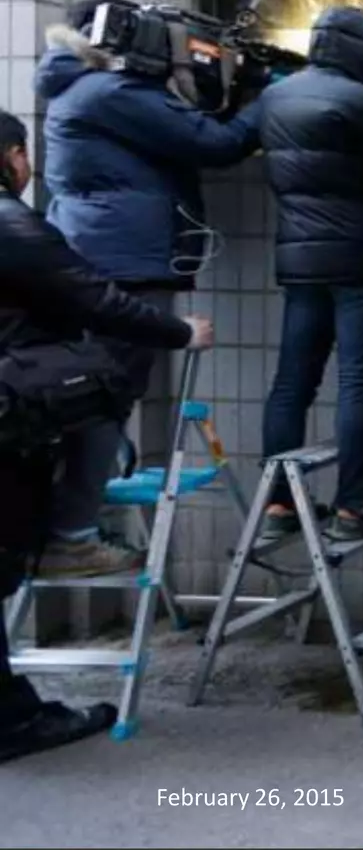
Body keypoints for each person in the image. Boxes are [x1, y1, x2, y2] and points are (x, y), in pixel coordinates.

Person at [0, 109, 212, 762]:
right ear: (10, 156)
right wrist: (180, 332)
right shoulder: (13, 225)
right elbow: (94, 299)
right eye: (23, 153)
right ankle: (14, 721)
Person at [34, 1, 259, 575]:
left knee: (97, 393)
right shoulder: (112, 94)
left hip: (99, 251)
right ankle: (72, 534)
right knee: (105, 393)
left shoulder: (82, 89)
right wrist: (269, 100)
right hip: (125, 262)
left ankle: (76, 511)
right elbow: (214, 141)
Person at [251, 7, 363, 549]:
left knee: (293, 381)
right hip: (362, 259)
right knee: (358, 382)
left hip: (298, 259)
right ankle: (355, 505)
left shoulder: (273, 97)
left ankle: (276, 502)